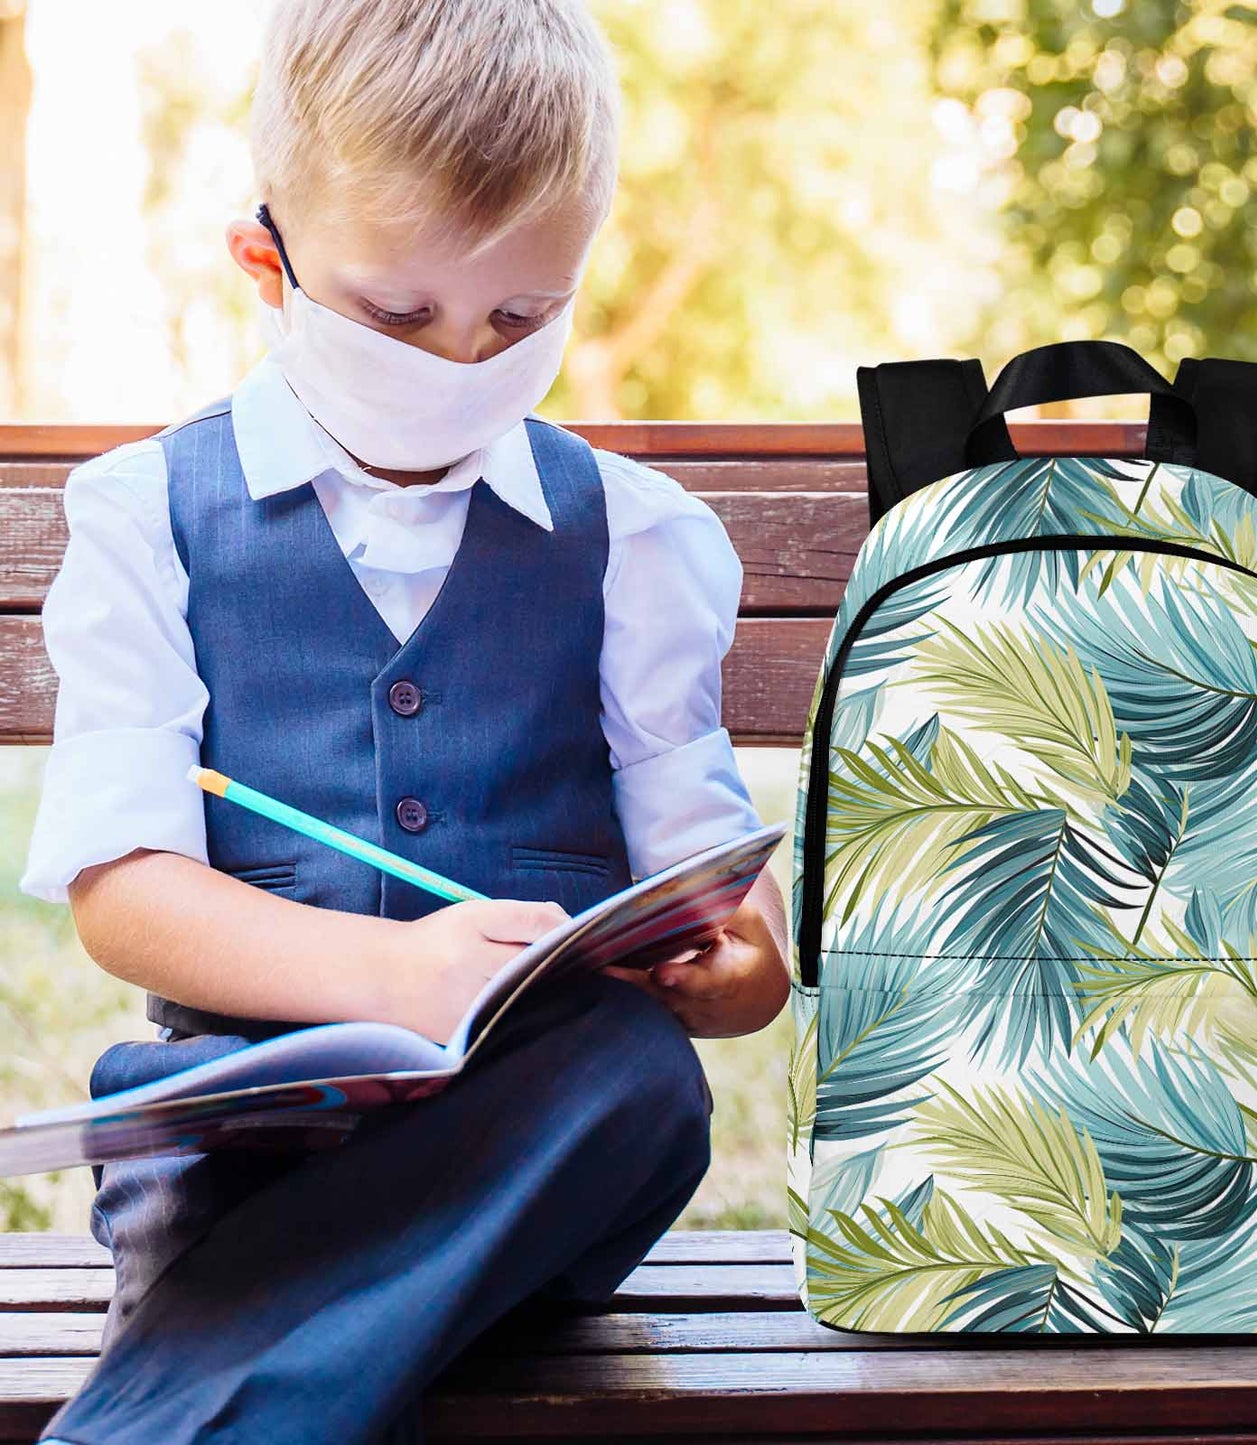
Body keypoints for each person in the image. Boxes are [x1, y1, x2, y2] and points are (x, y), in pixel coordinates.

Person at [18, 1, 789, 1439]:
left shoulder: (636, 537)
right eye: (396, 313)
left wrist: (734, 967)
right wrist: (393, 968)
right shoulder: (147, 517)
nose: (459, 356)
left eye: (519, 317)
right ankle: (251, 1367)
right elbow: (126, 903)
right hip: (245, 1142)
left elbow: (737, 938)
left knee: (640, 1079)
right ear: (270, 261)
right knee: (311, 1201)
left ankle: (193, 1391)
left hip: (542, 1140)